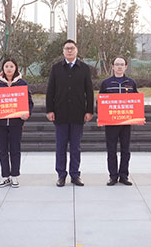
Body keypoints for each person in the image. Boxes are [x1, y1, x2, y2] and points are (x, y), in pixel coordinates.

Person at [46, 39, 94, 187]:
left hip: (78, 114)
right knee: (60, 147)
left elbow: (89, 91)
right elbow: (50, 90)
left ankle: (75, 175)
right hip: (60, 113)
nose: (69, 51)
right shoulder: (56, 68)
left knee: (75, 147)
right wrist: (49, 110)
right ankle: (61, 175)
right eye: (67, 48)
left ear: (76, 50)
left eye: (72, 48)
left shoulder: (84, 68)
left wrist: (89, 110)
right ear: (63, 51)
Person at [0, 58, 34, 188]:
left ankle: (14, 175)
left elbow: (29, 102)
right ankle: (5, 176)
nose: (9, 69)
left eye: (11, 66)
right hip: (0, 123)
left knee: (15, 149)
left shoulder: (22, 83)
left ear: (16, 68)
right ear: (3, 68)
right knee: (2, 150)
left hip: (16, 123)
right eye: (6, 66)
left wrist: (27, 113)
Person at [99, 56, 139, 186]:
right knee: (111, 150)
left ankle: (124, 176)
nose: (119, 67)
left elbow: (136, 101)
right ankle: (113, 176)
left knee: (125, 150)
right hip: (111, 123)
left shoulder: (131, 83)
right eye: (117, 64)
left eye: (122, 64)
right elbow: (100, 102)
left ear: (126, 67)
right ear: (112, 67)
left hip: (126, 122)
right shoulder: (106, 83)